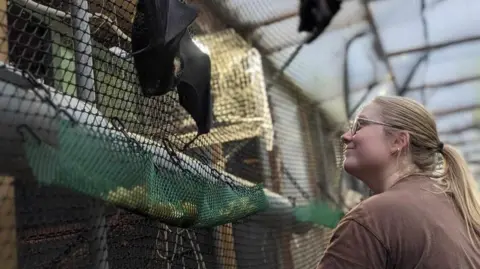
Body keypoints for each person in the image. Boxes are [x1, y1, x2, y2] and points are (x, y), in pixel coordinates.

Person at [316, 96, 480, 269]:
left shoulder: (372, 218)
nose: (346, 136)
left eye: (359, 126)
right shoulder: (452, 203)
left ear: (398, 141)